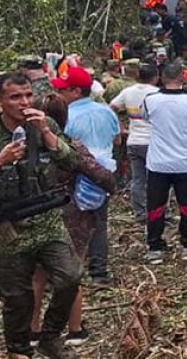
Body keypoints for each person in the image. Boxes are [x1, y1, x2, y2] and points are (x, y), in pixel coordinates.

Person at [0, 73, 84, 359]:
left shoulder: (44, 124)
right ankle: (18, 350)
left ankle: (50, 336)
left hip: (47, 218)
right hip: (8, 225)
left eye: (28, 95)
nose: (24, 103)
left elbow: (72, 161)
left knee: (70, 277)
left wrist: (46, 132)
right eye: (15, 97)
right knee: (16, 297)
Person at [32, 94, 116, 348]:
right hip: (73, 216)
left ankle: (33, 330)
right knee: (72, 273)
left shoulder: (26, 148)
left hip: (36, 217)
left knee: (38, 275)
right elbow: (102, 175)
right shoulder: (71, 146)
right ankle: (75, 329)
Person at [51, 68, 119, 311]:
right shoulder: (106, 111)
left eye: (62, 89)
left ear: (75, 91)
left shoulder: (67, 117)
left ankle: (70, 273)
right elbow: (117, 140)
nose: (58, 93)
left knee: (70, 226)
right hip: (102, 175)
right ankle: (99, 272)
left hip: (76, 176)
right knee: (99, 223)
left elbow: (63, 148)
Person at [141, 63, 187, 264]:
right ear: (183, 78)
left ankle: (154, 247)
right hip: (185, 164)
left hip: (158, 164)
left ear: (161, 78)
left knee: (156, 206)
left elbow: (145, 118)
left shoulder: (150, 101)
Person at [109, 64, 158, 223]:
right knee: (156, 178)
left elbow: (112, 107)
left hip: (134, 141)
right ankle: (155, 211)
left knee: (137, 179)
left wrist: (120, 127)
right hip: (153, 142)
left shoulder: (128, 92)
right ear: (155, 78)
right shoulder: (156, 93)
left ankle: (139, 212)